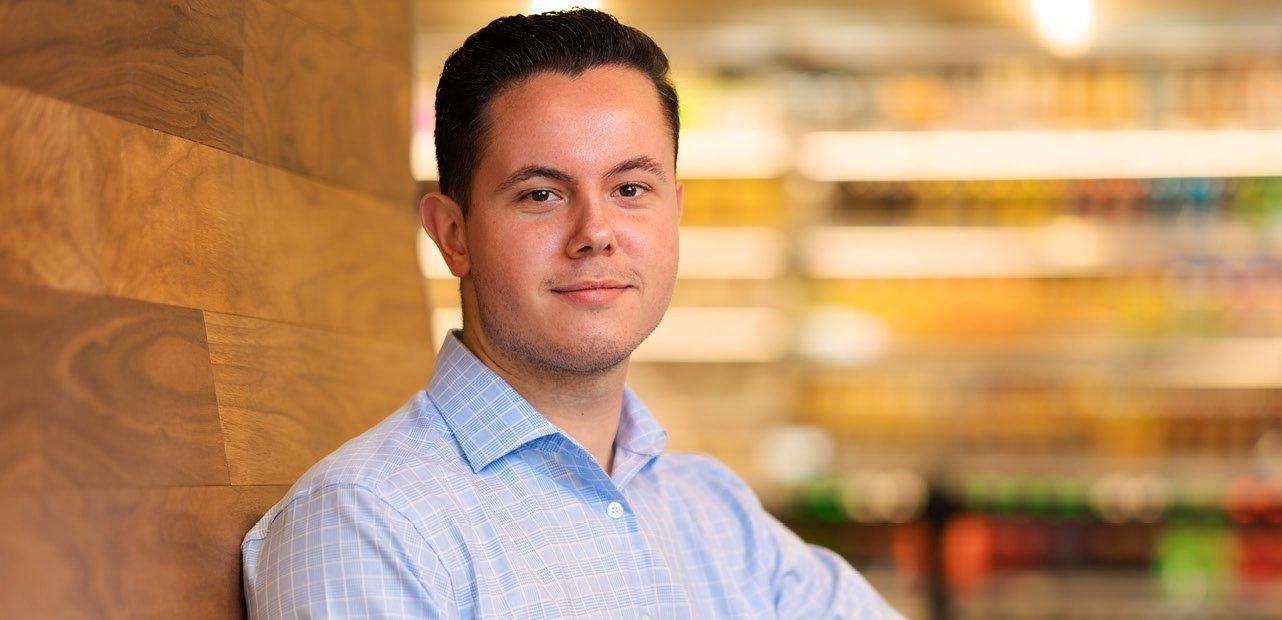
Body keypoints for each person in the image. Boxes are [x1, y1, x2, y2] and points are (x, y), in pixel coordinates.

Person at [240, 8, 899, 619]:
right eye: (541, 194)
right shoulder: (368, 524)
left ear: (675, 212)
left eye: (631, 188)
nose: (596, 232)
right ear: (452, 234)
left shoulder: (716, 512)